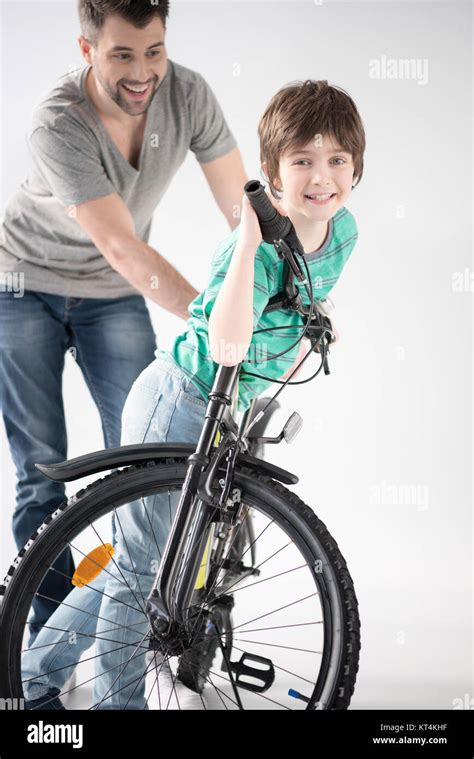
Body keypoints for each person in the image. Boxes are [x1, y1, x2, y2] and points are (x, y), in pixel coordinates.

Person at [22, 78, 365, 710]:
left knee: (139, 554)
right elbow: (225, 347)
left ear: (356, 168)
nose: (322, 177)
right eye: (303, 162)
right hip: (180, 397)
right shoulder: (252, 252)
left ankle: (28, 677)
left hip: (227, 412)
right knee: (140, 569)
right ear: (271, 173)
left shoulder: (341, 232)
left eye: (338, 160)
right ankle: (110, 706)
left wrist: (324, 320)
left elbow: (307, 298)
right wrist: (247, 238)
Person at [0, 0, 247, 647]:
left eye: (154, 51)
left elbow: (244, 214)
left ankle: (111, 637)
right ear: (86, 50)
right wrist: (217, 319)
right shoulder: (57, 121)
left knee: (148, 469)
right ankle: (43, 653)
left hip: (113, 295)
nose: (143, 74)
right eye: (121, 55)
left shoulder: (188, 95)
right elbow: (119, 244)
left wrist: (294, 278)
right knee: (42, 475)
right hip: (24, 286)